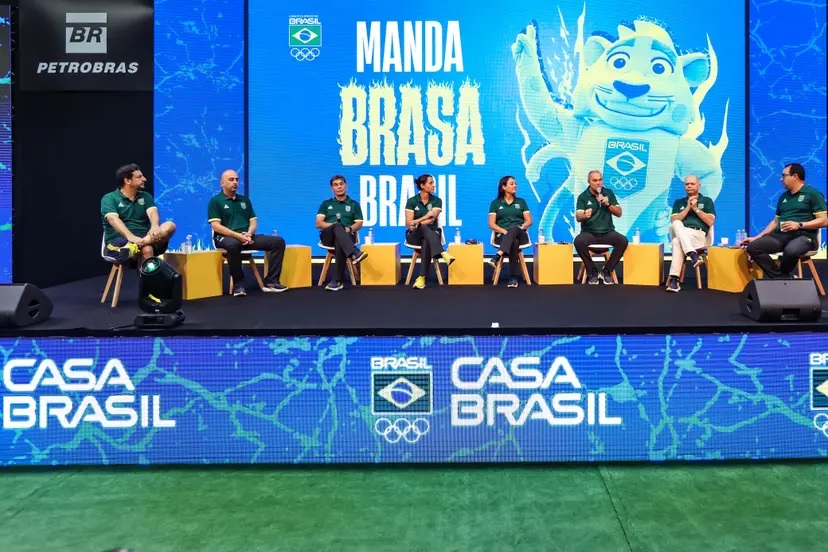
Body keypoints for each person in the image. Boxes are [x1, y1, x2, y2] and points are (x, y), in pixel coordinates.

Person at [208, 169, 288, 296]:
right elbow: (216, 226)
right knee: (234, 245)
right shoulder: (216, 201)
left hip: (246, 237)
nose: (235, 182)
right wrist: (237, 236)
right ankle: (238, 284)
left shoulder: (244, 200)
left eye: (237, 179)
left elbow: (253, 221)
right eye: (231, 180)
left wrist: (249, 234)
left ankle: (272, 281)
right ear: (222, 183)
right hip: (225, 238)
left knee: (278, 242)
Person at [744, 163, 827, 278]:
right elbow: (775, 221)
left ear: (795, 176)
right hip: (781, 236)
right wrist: (757, 237)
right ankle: (783, 278)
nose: (781, 179)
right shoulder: (783, 197)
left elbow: (824, 220)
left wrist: (799, 225)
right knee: (753, 247)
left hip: (804, 237)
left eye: (784, 175)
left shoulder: (813, 194)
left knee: (791, 250)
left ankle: (782, 278)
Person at [101, 163, 176, 264]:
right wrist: (130, 236)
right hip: (118, 242)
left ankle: (136, 246)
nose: (144, 179)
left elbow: (152, 212)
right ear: (127, 181)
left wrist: (154, 226)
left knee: (170, 225)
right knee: (147, 249)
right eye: (139, 177)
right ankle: (137, 251)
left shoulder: (145, 196)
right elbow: (113, 220)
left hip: (146, 237)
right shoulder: (110, 198)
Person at [574, 170, 628, 285]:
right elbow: (578, 216)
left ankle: (607, 270)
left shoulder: (608, 193)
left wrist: (608, 204)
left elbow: (619, 213)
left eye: (600, 180)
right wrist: (584, 215)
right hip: (589, 233)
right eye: (595, 180)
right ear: (589, 182)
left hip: (608, 232)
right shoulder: (583, 197)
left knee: (623, 241)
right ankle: (592, 271)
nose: (598, 183)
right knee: (578, 241)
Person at [316, 175, 368, 291]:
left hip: (347, 236)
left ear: (346, 186)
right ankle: (354, 252)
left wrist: (348, 229)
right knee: (337, 226)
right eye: (336, 185)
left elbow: (359, 223)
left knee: (340, 240)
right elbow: (318, 223)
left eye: (341, 184)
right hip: (328, 237)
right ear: (332, 188)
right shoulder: (326, 204)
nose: (339, 187)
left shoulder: (354, 204)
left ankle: (337, 281)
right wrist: (335, 226)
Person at [665, 175, 716, 292]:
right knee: (676, 224)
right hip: (683, 234)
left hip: (698, 235)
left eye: (692, 184)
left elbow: (710, 221)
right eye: (687, 184)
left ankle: (674, 280)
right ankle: (693, 255)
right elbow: (673, 221)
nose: (689, 186)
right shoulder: (679, 202)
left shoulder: (707, 201)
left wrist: (696, 209)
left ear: (699, 186)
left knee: (676, 241)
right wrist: (688, 207)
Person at [405, 174, 455, 289]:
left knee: (425, 240)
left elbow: (432, 220)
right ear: (422, 185)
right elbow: (409, 224)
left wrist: (417, 221)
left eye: (433, 183)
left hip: (431, 235)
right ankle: (442, 252)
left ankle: (422, 278)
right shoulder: (412, 201)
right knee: (422, 227)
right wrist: (424, 217)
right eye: (430, 183)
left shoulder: (437, 201)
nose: (433, 185)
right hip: (414, 235)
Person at [488, 175, 532, 288]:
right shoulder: (495, 203)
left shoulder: (521, 202)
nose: (515, 186)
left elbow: (529, 221)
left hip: (520, 233)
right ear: (503, 187)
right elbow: (491, 224)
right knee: (514, 242)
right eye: (512, 184)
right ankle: (513, 277)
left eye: (515, 184)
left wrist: (521, 227)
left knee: (514, 228)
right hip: (502, 235)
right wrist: (504, 232)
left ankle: (498, 255)